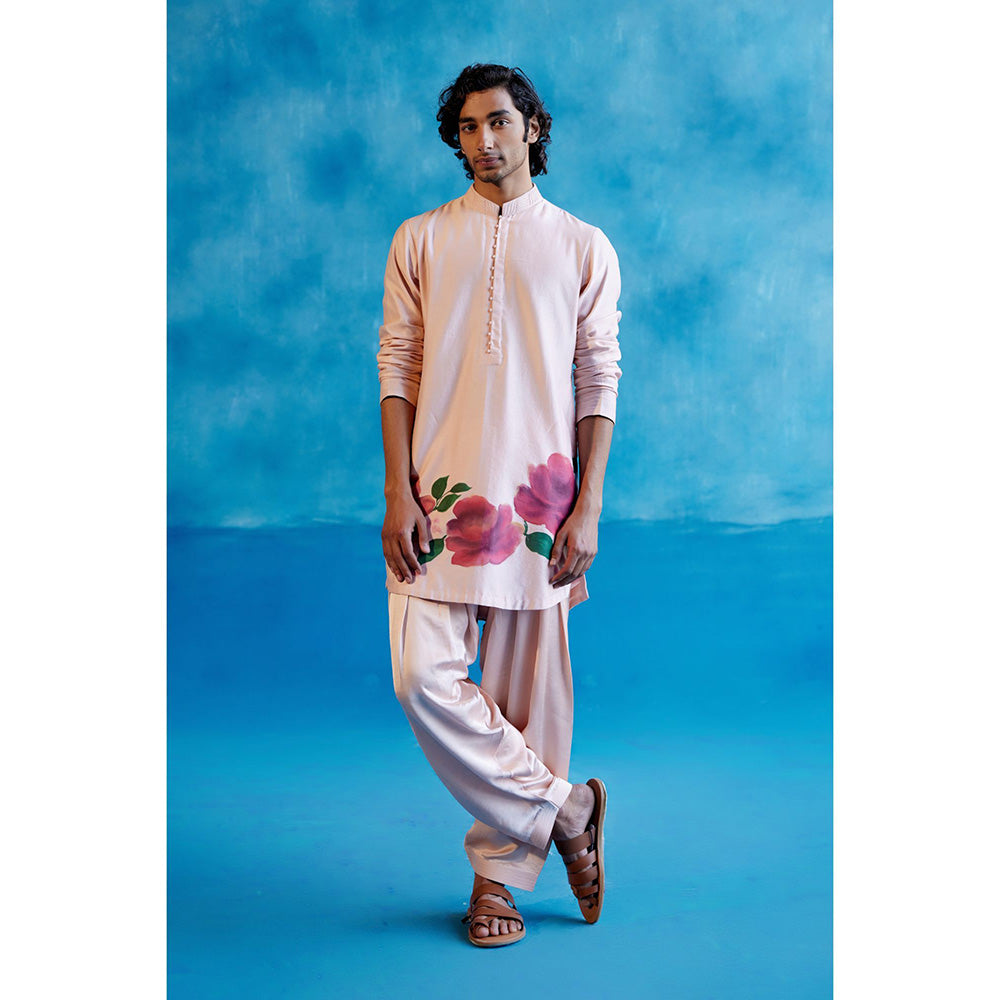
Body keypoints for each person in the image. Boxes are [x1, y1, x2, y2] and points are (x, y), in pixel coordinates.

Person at [376, 63, 622, 947]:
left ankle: (498, 884)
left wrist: (588, 504)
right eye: (468, 127)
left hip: (540, 499)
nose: (484, 140)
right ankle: (566, 809)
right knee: (421, 677)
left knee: (528, 698)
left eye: (500, 122)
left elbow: (598, 377)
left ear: (533, 128)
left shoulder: (583, 246)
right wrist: (397, 490)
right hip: (436, 499)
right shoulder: (421, 238)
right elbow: (397, 366)